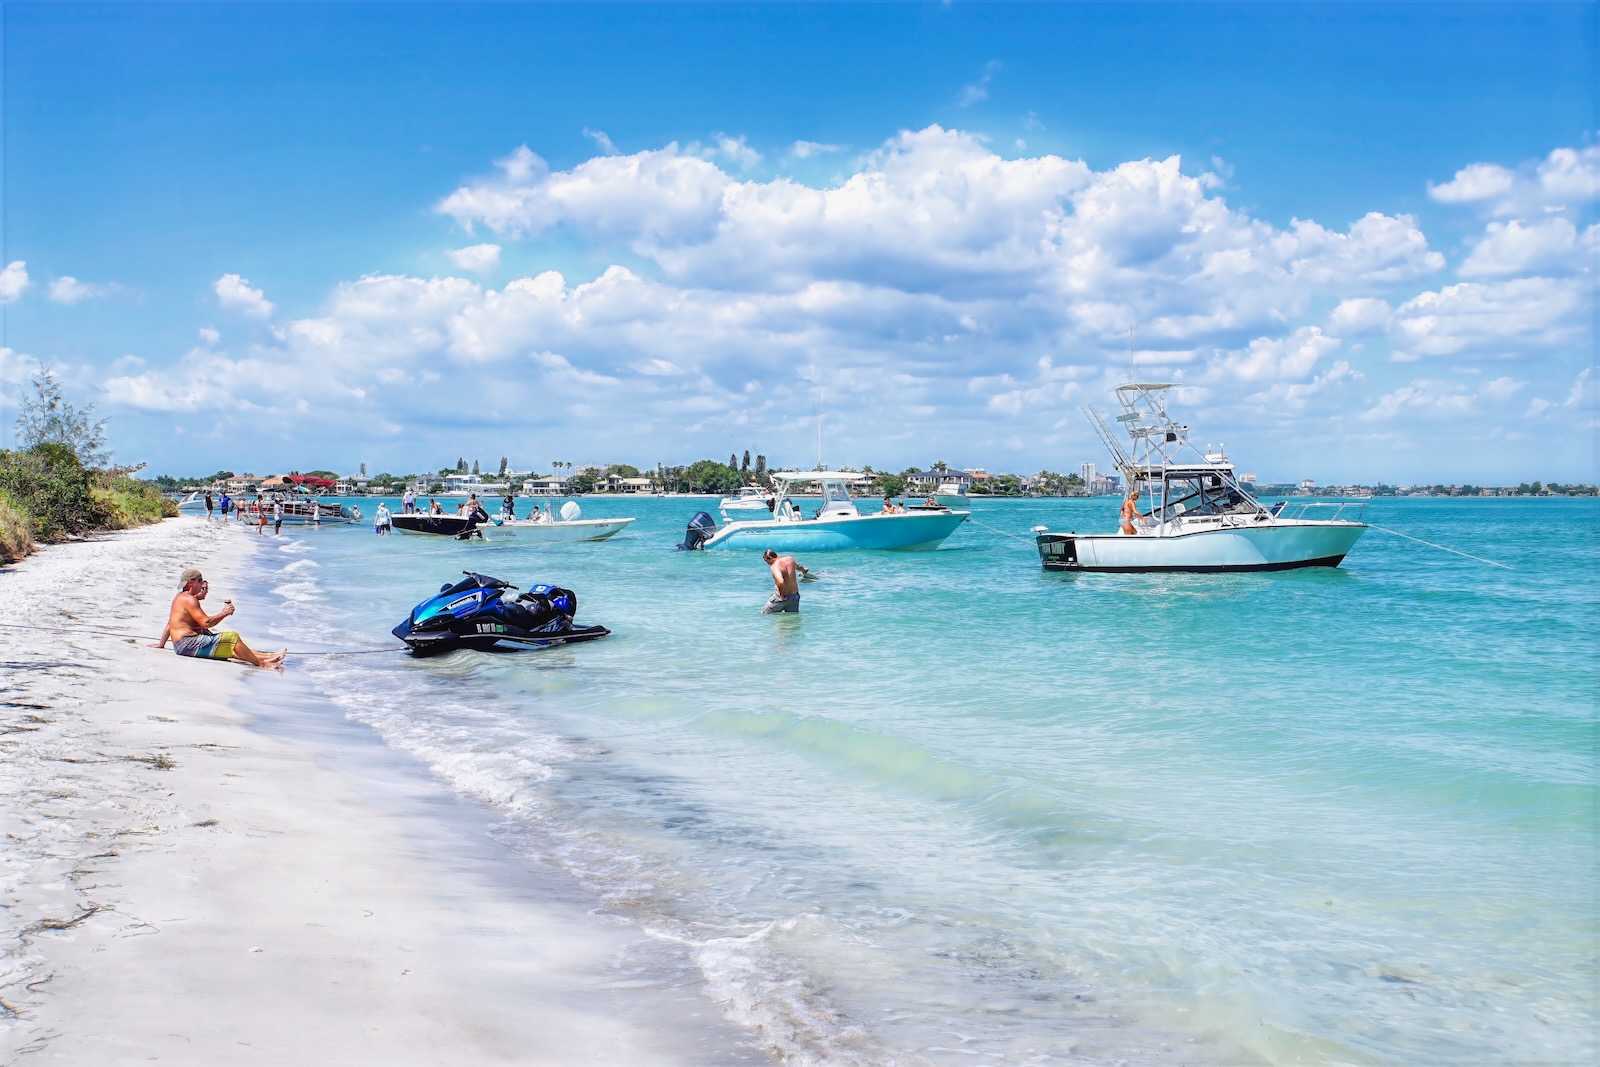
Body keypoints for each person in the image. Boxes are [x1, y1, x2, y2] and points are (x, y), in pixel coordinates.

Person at [152, 568, 284, 670]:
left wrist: (161, 644)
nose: (202, 583)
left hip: (181, 646)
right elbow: (206, 622)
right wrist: (225, 613)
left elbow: (170, 623)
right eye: (200, 581)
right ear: (191, 582)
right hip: (189, 644)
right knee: (232, 637)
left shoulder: (180, 598)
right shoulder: (189, 600)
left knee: (228, 647)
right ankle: (262, 664)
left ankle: (268, 657)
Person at [761, 549, 810, 614]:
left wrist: (782, 596)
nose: (768, 564)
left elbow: (781, 582)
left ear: (771, 558)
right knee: (792, 620)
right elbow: (799, 566)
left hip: (780, 598)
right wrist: (804, 570)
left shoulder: (775, 566)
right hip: (794, 597)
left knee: (764, 614)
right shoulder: (790, 559)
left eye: (767, 562)